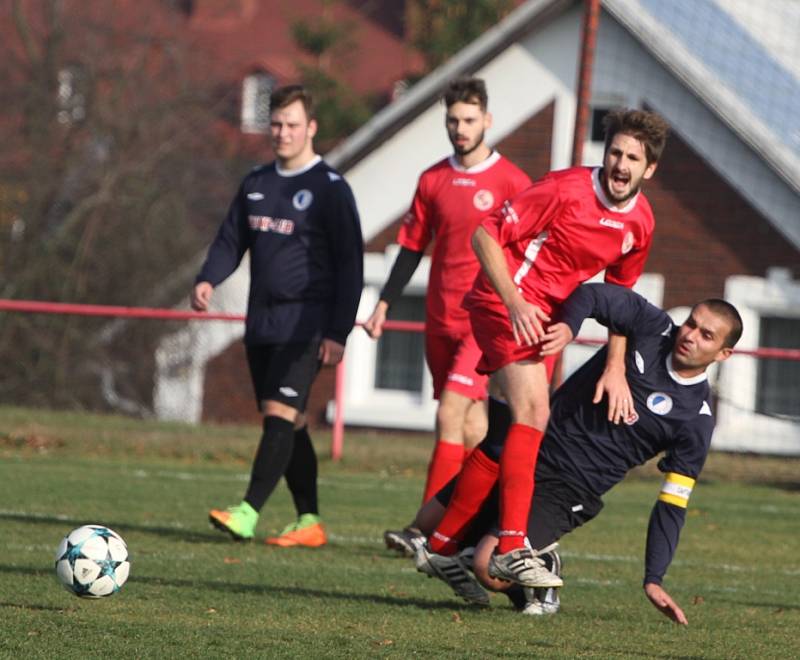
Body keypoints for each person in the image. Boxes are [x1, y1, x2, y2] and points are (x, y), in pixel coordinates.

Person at [422, 109, 670, 587]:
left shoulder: (640, 222)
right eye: (615, 152)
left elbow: (620, 300)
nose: (620, 164)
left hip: (544, 322)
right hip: (504, 300)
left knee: (502, 437)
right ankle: (513, 546)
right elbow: (484, 233)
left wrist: (614, 367)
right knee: (534, 415)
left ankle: (439, 546)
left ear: (649, 169)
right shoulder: (566, 189)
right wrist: (514, 302)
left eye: (632, 158)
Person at [413, 282, 742, 626]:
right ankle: (490, 548)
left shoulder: (696, 420)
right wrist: (572, 329)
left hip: (570, 488)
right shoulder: (652, 327)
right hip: (531, 450)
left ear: (723, 354)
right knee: (427, 523)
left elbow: (672, 503)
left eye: (706, 335)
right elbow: (593, 295)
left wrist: (653, 577)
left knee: (489, 564)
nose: (689, 335)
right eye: (691, 323)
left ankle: (541, 579)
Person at [362, 78, 532, 555]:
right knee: (474, 430)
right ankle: (472, 524)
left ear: (488, 121)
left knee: (449, 412)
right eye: (453, 121)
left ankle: (423, 533)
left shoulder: (512, 182)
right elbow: (413, 246)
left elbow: (527, 249)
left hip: (484, 320)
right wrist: (384, 303)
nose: (460, 129)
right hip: (440, 320)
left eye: (469, 120)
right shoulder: (433, 179)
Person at [191, 85, 363, 547]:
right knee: (291, 421)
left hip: (307, 323)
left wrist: (338, 330)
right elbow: (231, 241)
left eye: (292, 125)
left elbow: (351, 265)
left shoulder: (330, 190)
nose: (282, 133)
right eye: (276, 124)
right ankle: (309, 521)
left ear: (311, 128)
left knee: (278, 413)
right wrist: (208, 278)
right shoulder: (256, 183)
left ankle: (247, 511)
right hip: (262, 322)